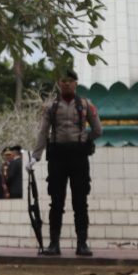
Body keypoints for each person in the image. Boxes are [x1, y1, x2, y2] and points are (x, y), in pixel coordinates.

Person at [32, 71, 102, 257]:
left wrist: (85, 140)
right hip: (57, 158)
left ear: (76, 83)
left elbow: (98, 129)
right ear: (59, 83)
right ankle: (54, 244)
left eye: (70, 81)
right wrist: (35, 156)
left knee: (80, 202)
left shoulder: (86, 104)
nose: (67, 84)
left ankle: (82, 244)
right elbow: (43, 132)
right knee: (56, 202)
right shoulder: (51, 107)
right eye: (63, 81)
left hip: (79, 157)